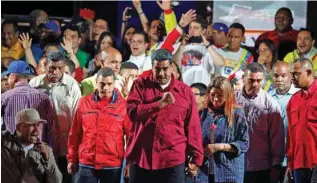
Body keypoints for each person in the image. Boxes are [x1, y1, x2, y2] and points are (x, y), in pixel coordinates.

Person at [126, 49, 204, 183]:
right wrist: (159, 104)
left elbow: (192, 127)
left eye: (165, 69)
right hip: (142, 158)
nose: (161, 73)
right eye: (157, 69)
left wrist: (196, 157)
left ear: (172, 67)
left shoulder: (185, 91)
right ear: (152, 67)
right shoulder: (140, 85)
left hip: (173, 160)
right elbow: (132, 113)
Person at [67, 68, 130, 183]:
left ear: (114, 84)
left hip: (112, 162)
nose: (105, 87)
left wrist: (129, 163)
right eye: (102, 84)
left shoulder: (124, 106)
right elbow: (75, 133)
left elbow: (131, 136)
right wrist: (71, 158)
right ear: (96, 83)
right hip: (87, 161)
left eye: (109, 84)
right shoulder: (84, 103)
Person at [29, 51, 81, 183]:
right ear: (45, 66)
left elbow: (77, 117)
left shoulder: (72, 85)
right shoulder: (34, 84)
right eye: (52, 68)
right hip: (40, 144)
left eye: (60, 68)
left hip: (64, 147)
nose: (56, 72)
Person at [236, 62, 285, 183]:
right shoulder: (232, 99)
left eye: (259, 80)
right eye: (251, 80)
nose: (255, 84)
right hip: (235, 164)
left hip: (261, 166)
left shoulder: (270, 104)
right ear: (243, 78)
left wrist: (276, 166)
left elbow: (277, 138)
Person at [194, 77, 249, 183]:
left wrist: (220, 147)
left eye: (220, 96)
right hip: (204, 172)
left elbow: (244, 143)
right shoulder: (203, 113)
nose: (215, 99)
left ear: (228, 95)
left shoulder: (237, 114)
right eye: (212, 94)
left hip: (229, 172)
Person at [1, 108, 62, 183]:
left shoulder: (45, 150)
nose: (37, 130)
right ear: (18, 128)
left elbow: (56, 181)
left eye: (38, 125)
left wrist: (48, 160)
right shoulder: (4, 143)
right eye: (32, 125)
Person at [1, 60, 54, 143]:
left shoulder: (4, 97)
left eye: (8, 77)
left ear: (13, 76)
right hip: (38, 149)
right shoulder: (44, 97)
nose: (7, 81)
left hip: (12, 150)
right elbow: (51, 127)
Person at [286, 58, 317, 183]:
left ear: (308, 72)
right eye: (291, 74)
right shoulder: (293, 100)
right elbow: (290, 135)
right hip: (299, 164)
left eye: (296, 74)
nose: (292, 77)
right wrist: (290, 162)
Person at [268, 61, 299, 183]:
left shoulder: (299, 95)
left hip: (295, 156)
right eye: (276, 76)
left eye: (283, 75)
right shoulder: (267, 98)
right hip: (273, 157)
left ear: (291, 76)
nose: (279, 79)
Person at [174, 16, 225, 86]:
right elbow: (175, 64)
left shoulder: (210, 48)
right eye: (190, 27)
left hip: (202, 90)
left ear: (204, 31)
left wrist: (207, 45)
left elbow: (220, 63)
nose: (192, 31)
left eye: (196, 28)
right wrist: (182, 46)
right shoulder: (181, 46)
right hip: (184, 89)